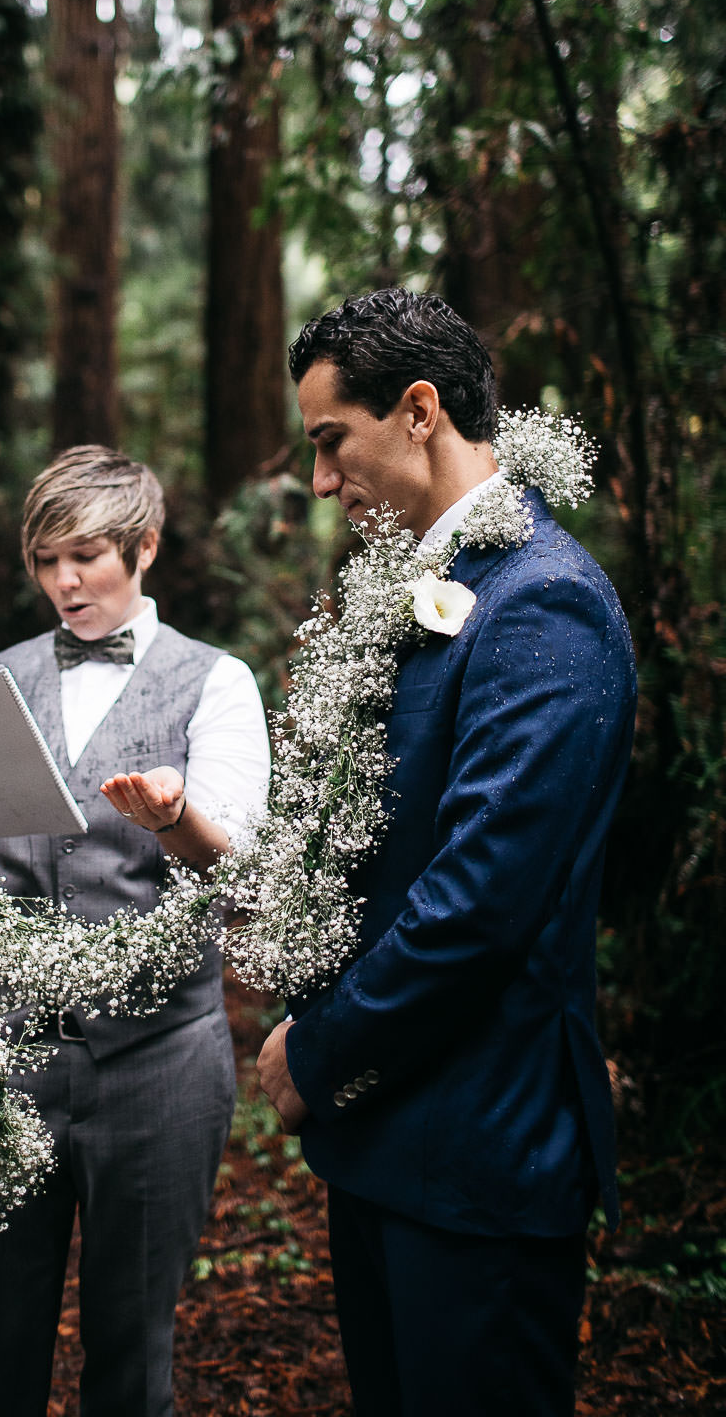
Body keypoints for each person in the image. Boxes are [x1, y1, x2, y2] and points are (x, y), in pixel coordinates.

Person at [256, 290, 637, 1417]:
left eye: (333, 441)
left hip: (483, 1155)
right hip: (384, 1145)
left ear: (419, 411)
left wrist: (314, 1054)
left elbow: (479, 901)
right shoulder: (433, 585)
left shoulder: (544, 605)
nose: (323, 481)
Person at [0, 445, 270, 1417]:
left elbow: (241, 871)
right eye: (47, 561)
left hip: (156, 1064)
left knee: (132, 1355)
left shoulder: (217, 683)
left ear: (145, 548)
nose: (63, 582)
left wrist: (176, 818)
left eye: (84, 556)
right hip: (4, 1059)